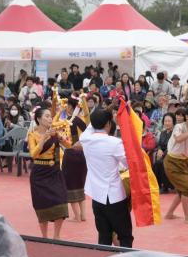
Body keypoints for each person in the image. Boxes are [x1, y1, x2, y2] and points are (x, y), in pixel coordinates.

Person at [81, 108, 133, 248]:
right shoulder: (114, 143)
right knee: (125, 236)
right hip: (114, 196)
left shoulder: (85, 139)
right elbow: (128, 163)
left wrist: (103, 117)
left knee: (104, 236)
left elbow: (91, 125)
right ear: (108, 124)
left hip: (97, 196)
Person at [27, 107, 71, 239]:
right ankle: (44, 237)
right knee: (42, 205)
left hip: (54, 172)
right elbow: (34, 154)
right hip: (39, 173)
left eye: (50, 116)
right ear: (38, 119)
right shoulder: (32, 135)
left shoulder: (54, 133)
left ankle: (56, 236)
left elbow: (69, 145)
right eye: (46, 116)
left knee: (61, 201)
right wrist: (44, 138)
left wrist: (61, 137)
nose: (50, 119)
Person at [59, 94, 90, 223]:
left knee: (70, 186)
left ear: (71, 108)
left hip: (70, 154)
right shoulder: (81, 120)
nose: (65, 109)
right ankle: (83, 214)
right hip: (82, 156)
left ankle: (77, 216)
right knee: (80, 184)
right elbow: (89, 131)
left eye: (66, 107)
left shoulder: (68, 122)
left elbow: (64, 140)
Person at [154, 113, 175, 193]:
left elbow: (172, 146)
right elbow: (159, 144)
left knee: (162, 163)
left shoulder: (175, 133)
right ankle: (157, 185)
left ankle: (166, 186)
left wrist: (163, 153)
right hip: (162, 154)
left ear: (173, 122)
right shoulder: (163, 133)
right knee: (157, 163)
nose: (167, 123)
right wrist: (159, 150)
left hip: (171, 154)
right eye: (165, 121)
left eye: (169, 121)